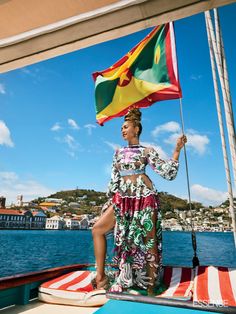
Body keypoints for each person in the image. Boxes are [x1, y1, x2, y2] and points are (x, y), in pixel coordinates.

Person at [92, 108, 187, 294]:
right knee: (97, 229)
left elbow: (168, 173)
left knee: (148, 243)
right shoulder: (117, 153)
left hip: (144, 199)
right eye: (121, 127)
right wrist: (109, 203)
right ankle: (101, 277)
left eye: (126, 126)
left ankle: (150, 287)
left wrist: (176, 150)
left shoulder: (147, 151)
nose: (122, 130)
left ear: (137, 129)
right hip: (122, 200)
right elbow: (114, 181)